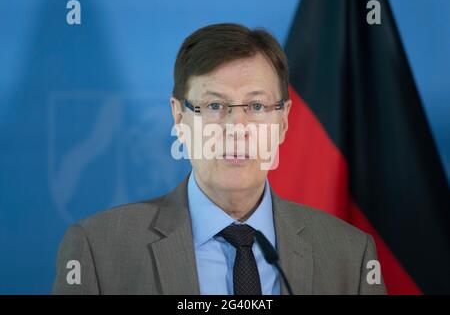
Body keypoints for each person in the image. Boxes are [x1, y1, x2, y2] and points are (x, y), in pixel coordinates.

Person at [52, 23, 386, 295]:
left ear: (283, 122)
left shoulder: (350, 257)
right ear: (179, 119)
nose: (236, 128)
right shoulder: (98, 251)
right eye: (214, 106)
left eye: (256, 106)